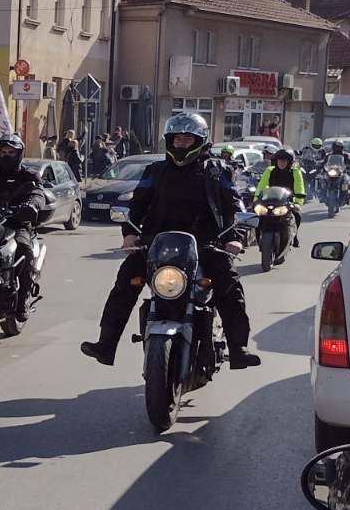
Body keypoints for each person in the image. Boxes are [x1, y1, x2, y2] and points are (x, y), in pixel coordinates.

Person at [80, 112, 260, 370]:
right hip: (157, 244)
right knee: (125, 282)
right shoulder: (156, 170)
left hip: (206, 245)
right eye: (177, 139)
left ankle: (238, 348)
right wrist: (129, 232)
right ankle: (106, 344)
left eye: (187, 139)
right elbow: (137, 204)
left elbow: (233, 206)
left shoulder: (218, 171)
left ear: (200, 141)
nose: (181, 144)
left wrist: (235, 238)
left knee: (229, 286)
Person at [0, 132, 49, 321]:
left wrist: (32, 205)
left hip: (18, 224)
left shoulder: (28, 175)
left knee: (24, 250)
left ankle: (22, 298)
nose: (6, 156)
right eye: (3, 152)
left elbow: (38, 193)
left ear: (18, 154)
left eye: (10, 152)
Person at [254, 147, 306, 251]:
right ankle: (258, 238)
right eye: (279, 160)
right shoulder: (270, 170)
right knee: (257, 217)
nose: (282, 163)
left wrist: (298, 202)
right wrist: (256, 199)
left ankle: (294, 236)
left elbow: (299, 187)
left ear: (289, 162)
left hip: (287, 201)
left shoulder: (295, 172)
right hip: (270, 200)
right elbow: (261, 186)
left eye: (284, 160)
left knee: (297, 215)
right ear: (276, 161)